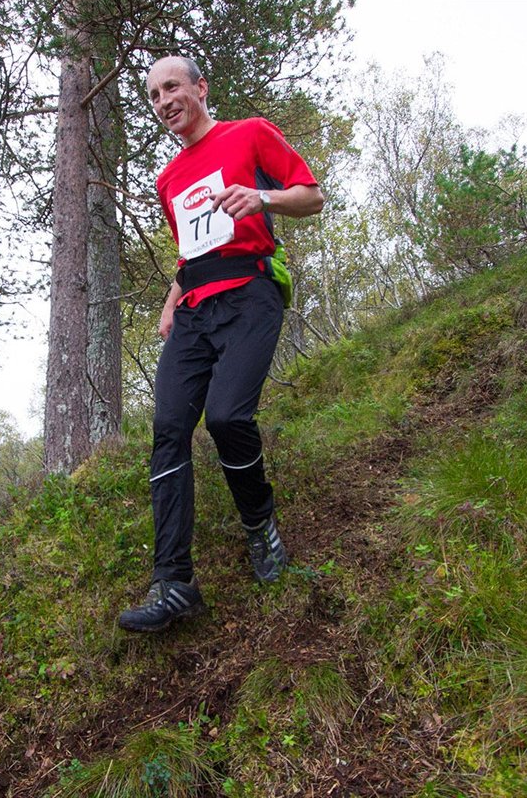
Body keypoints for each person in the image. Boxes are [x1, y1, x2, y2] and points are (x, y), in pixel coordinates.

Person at [117, 56, 325, 633]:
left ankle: (259, 524)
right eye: (155, 95)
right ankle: (173, 581)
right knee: (167, 429)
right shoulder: (167, 179)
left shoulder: (250, 133)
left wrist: (264, 200)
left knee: (229, 416)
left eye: (173, 87)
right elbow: (192, 251)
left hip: (251, 294)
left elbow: (311, 196)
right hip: (193, 309)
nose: (164, 101)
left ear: (201, 88)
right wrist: (170, 299)